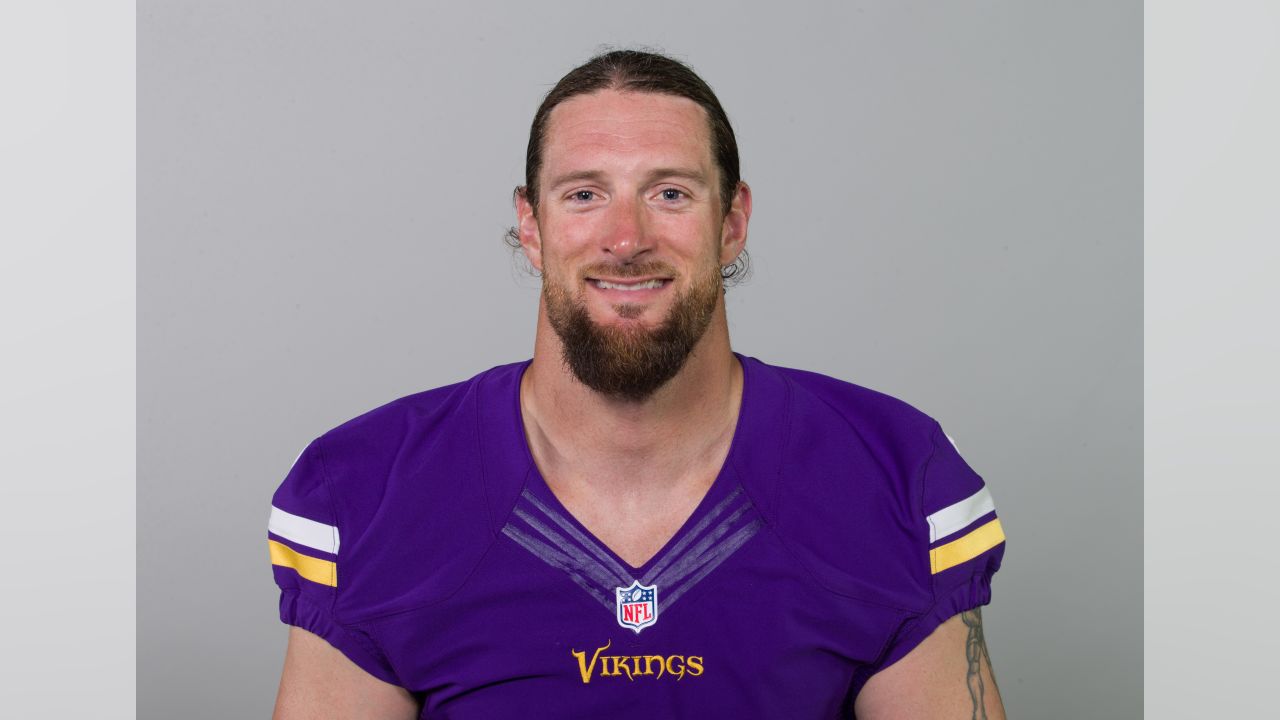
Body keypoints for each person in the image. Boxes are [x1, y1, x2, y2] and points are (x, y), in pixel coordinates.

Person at [267, 49, 1007, 719]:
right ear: (531, 226)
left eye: (671, 194)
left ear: (733, 222)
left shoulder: (892, 474)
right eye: (584, 194)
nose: (626, 239)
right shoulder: (368, 491)